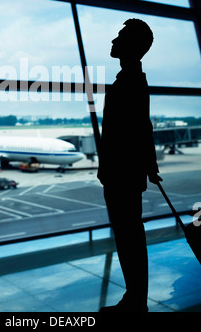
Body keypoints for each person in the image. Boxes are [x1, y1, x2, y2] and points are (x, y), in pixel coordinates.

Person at [97, 18, 162, 313]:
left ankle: (136, 299)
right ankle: (135, 297)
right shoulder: (130, 79)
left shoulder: (131, 81)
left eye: (120, 36)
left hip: (121, 173)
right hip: (123, 171)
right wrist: (149, 164)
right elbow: (142, 127)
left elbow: (138, 128)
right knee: (129, 236)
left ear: (134, 46)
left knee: (129, 238)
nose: (113, 41)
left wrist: (147, 163)